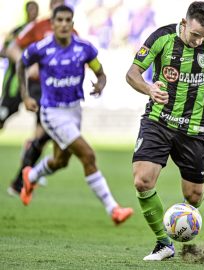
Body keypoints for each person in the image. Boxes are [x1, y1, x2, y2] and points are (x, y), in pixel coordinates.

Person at [125, 1, 204, 261]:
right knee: (142, 180)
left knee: (194, 195)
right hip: (159, 120)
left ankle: (185, 219)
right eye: (196, 35)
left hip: (196, 129)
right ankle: (163, 242)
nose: (200, 41)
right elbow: (132, 73)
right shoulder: (162, 38)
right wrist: (149, 89)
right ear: (185, 22)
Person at [18, 5, 133, 225]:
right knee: (88, 155)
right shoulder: (41, 48)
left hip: (74, 111)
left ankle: (30, 176)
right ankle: (114, 209)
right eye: (59, 20)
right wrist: (25, 95)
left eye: (67, 20)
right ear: (52, 24)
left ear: (72, 24)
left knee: (60, 161)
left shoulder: (84, 49)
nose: (63, 24)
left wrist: (100, 84)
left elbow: (100, 72)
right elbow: (20, 63)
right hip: (52, 112)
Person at [5, 0, 67, 196]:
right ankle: (25, 177)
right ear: (50, 6)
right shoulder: (38, 27)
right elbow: (12, 48)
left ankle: (22, 179)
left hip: (57, 90)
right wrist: (27, 61)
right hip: (37, 86)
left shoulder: (71, 31)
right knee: (45, 131)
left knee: (42, 134)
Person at [0, 1, 39, 129]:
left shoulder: (42, 31)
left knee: (43, 117)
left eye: (35, 9)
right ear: (26, 12)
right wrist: (21, 57)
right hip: (14, 81)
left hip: (36, 81)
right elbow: (4, 51)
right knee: (3, 113)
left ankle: (34, 146)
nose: (33, 13)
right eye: (31, 10)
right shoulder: (17, 31)